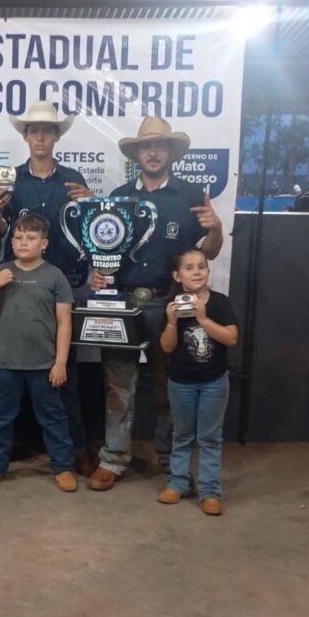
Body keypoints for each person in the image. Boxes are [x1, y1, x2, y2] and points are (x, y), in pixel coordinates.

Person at [87, 117, 224, 492]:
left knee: (171, 384)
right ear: (137, 154)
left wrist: (215, 229)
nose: (152, 152)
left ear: (170, 153)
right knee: (118, 384)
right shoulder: (118, 197)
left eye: (159, 146)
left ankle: (171, 459)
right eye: (146, 147)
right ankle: (114, 458)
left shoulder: (190, 195)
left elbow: (209, 253)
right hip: (122, 302)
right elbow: (104, 250)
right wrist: (100, 275)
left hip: (170, 304)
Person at [0, 99, 93, 475]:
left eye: (47, 131)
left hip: (61, 282)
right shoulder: (11, 179)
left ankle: (76, 448)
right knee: (4, 370)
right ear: (25, 137)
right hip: (17, 284)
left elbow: (89, 232)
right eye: (34, 131)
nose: (41, 137)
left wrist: (91, 206)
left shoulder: (73, 180)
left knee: (64, 373)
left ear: (57, 136)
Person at [0, 213, 78, 492]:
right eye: (18, 237)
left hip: (44, 364)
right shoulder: (2, 271)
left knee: (53, 418)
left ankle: (63, 467)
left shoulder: (55, 276)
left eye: (30, 238)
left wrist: (60, 362)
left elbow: (65, 323)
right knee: (0, 417)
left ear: (43, 244)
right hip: (5, 363)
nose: (23, 242)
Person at [158, 248, 238, 515]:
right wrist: (171, 323)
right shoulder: (173, 305)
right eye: (189, 268)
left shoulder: (219, 302)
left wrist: (203, 319)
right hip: (181, 382)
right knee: (181, 435)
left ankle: (210, 491)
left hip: (214, 381)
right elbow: (167, 347)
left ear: (208, 271)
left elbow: (231, 338)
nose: (196, 272)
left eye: (201, 267)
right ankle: (178, 482)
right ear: (177, 275)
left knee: (210, 437)